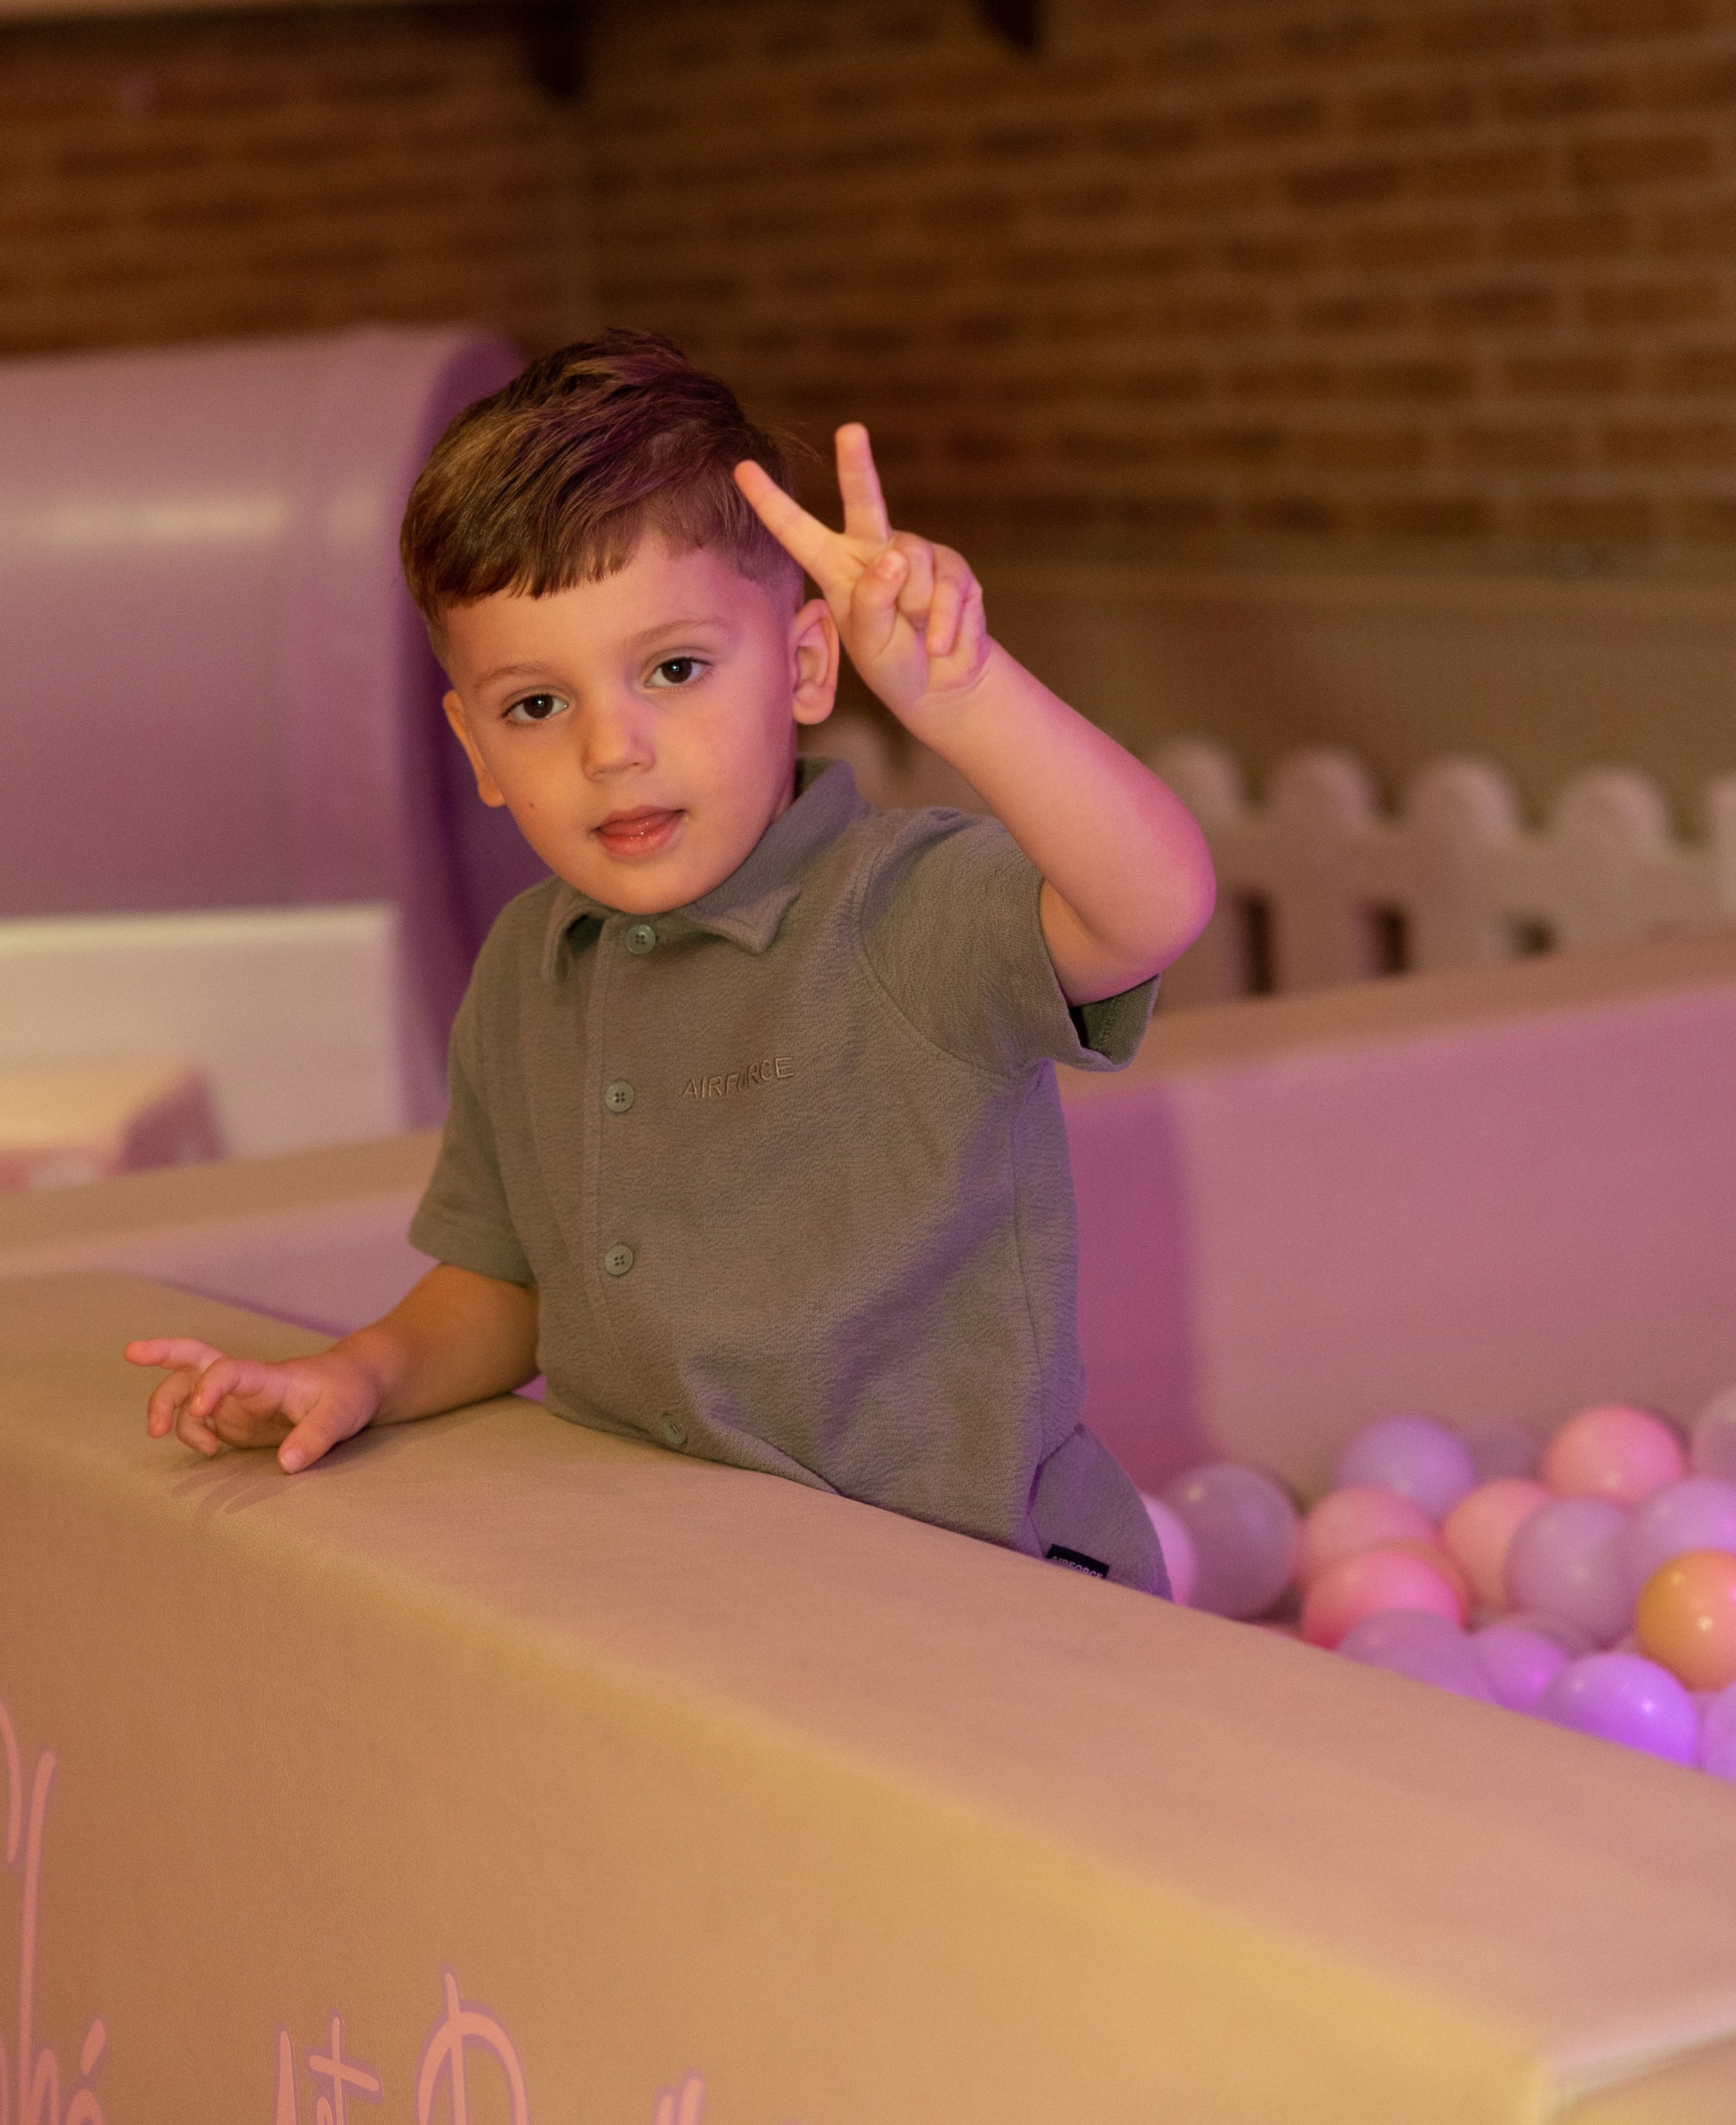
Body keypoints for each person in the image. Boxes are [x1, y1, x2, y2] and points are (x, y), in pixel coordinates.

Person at [126, 334, 1214, 1588]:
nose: (613, 749)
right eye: (538, 706)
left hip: (971, 1597)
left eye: (676, 670)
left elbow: (1154, 906)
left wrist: (965, 698)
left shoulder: (905, 910)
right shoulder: (531, 968)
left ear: (805, 667)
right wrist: (356, 1372)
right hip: (683, 1596)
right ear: (473, 745)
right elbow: (509, 1281)